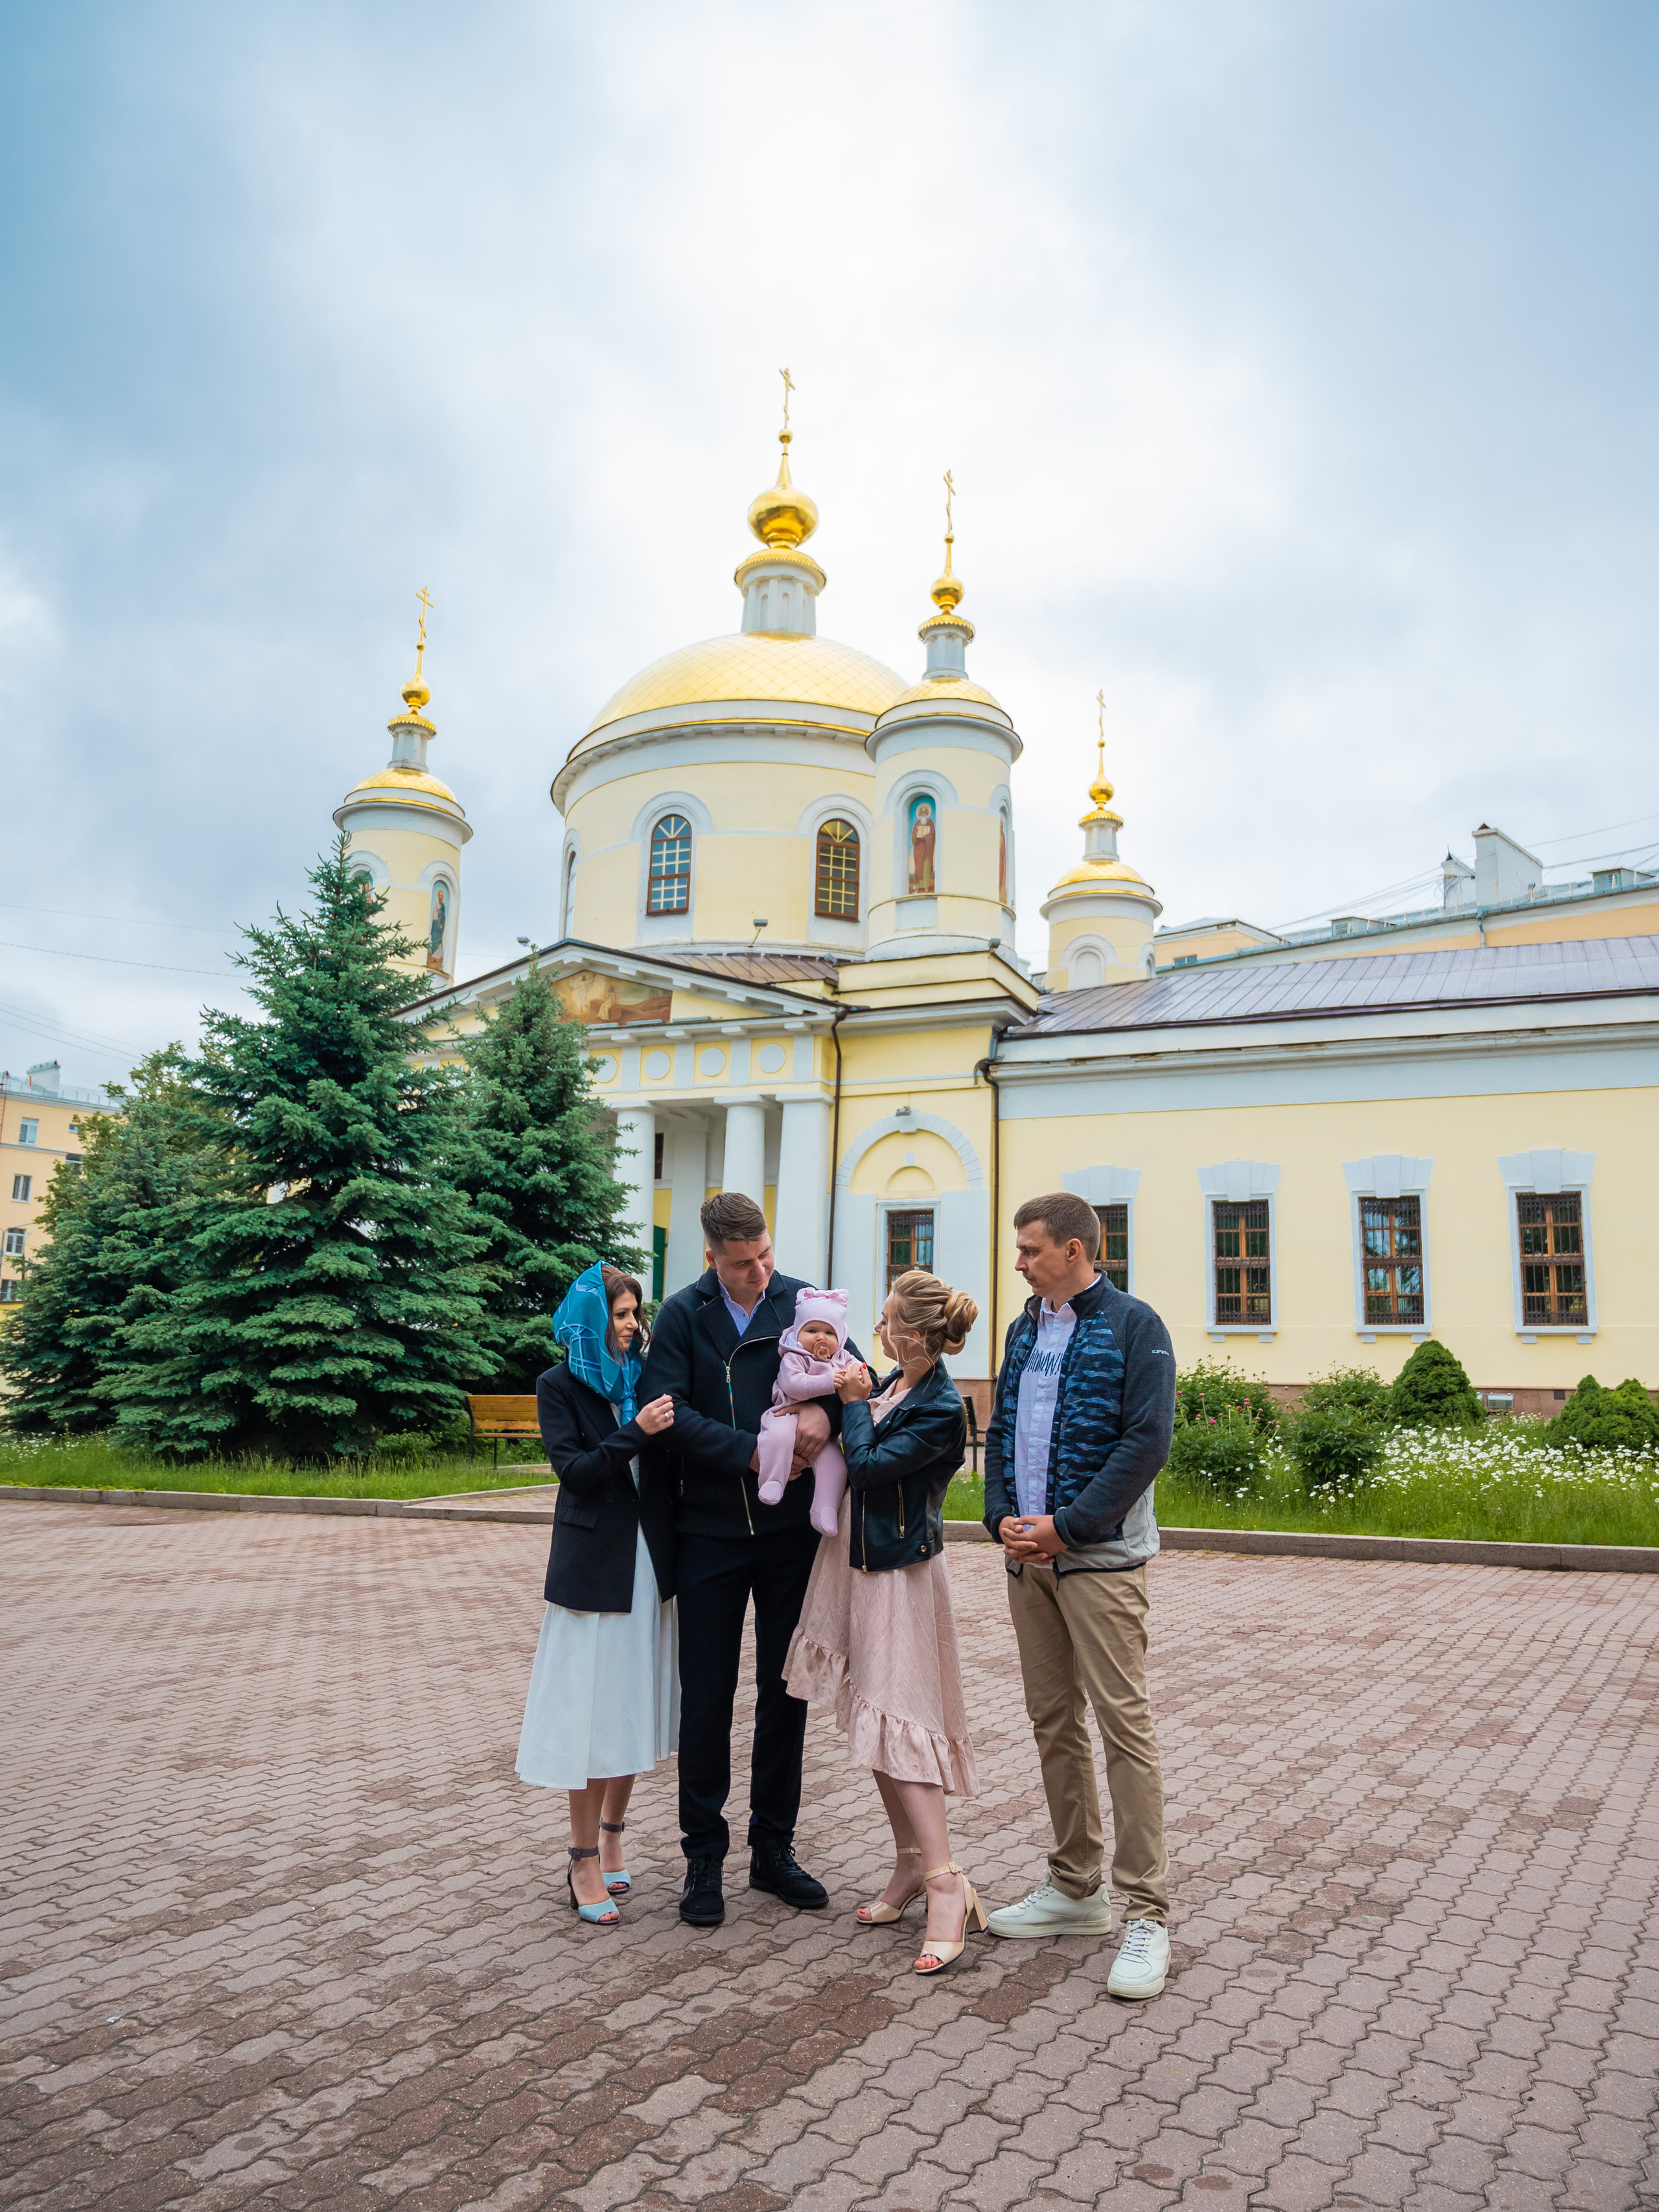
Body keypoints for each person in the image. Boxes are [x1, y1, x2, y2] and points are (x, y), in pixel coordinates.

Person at [639, 1191, 854, 1928]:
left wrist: (827, 1413)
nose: (759, 1272)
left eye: (765, 1255)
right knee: (705, 1696)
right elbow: (664, 1410)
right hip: (708, 1532)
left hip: (792, 1532)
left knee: (784, 1691)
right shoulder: (681, 1314)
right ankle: (703, 1854)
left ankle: (773, 1849)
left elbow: (859, 1379)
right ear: (711, 1260)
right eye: (741, 1264)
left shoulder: (801, 1299)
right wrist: (754, 1450)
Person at [981, 1191, 1177, 2000]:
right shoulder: (1024, 1326)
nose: (1019, 1262)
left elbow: (1145, 1442)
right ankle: (1075, 1888)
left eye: (1030, 1249)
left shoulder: (1136, 1326)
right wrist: (1000, 1517)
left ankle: (1147, 1912)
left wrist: (1069, 1526)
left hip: (1098, 1562)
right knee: (1052, 1721)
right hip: (1029, 1560)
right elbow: (998, 1431)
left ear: (1073, 1248)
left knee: (1122, 1727)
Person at [786, 1269, 985, 1975]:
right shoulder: (892, 1384)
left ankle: (945, 1883)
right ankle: (908, 1865)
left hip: (897, 1576)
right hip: (855, 1563)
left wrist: (850, 1405)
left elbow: (867, 1467)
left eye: (885, 1319)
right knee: (874, 1723)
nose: (874, 1330)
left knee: (900, 1724)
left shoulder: (937, 1407)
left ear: (913, 1332)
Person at [515, 1264, 679, 1927]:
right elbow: (575, 1472)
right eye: (620, 1313)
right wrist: (635, 1430)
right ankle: (581, 1856)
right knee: (588, 1715)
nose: (633, 1324)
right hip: (592, 1571)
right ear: (591, 1318)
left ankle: (613, 1830)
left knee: (628, 1704)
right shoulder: (558, 1385)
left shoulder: (645, 1379)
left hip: (648, 1565)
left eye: (636, 1312)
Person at [756, 1287, 853, 1536]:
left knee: (835, 1462)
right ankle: (773, 1481)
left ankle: (825, 1510)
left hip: (823, 1432)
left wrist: (859, 1377)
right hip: (785, 1414)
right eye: (812, 1331)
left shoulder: (842, 1358)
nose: (821, 1337)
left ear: (840, 1337)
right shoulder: (794, 1356)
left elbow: (863, 1376)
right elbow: (794, 1386)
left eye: (829, 1332)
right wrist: (830, 1381)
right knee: (777, 1439)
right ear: (797, 1334)